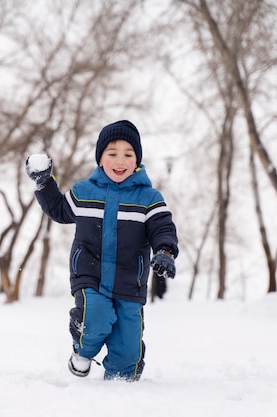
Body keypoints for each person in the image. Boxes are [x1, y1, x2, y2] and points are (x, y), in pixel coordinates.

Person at [25, 120, 178, 381]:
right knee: (96, 315)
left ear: (137, 161)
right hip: (90, 275)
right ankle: (82, 352)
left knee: (127, 350)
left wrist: (165, 251)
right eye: (112, 154)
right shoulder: (84, 192)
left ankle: (120, 383)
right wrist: (44, 184)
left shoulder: (149, 198)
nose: (120, 161)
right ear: (100, 159)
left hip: (130, 282)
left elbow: (162, 228)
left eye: (128, 155)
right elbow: (60, 210)